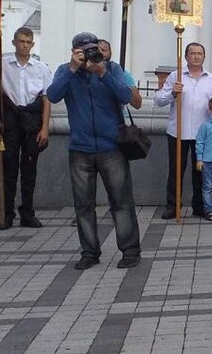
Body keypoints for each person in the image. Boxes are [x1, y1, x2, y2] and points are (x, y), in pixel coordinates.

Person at [46, 32, 141, 270]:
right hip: (80, 148)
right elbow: (53, 95)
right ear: (75, 51)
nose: (90, 55)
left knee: (121, 201)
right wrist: (72, 69)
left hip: (112, 147)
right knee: (83, 204)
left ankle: (130, 250)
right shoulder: (65, 70)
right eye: (84, 51)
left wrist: (103, 74)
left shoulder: (111, 68)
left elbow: (126, 96)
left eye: (93, 49)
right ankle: (89, 252)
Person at [153, 42, 212, 219]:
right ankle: (173, 204)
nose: (196, 56)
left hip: (203, 132)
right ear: (186, 56)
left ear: (204, 57)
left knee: (201, 171)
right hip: (178, 131)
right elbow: (158, 100)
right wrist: (172, 93)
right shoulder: (176, 76)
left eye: (200, 53)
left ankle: (200, 205)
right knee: (176, 169)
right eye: (192, 53)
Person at [0, 27, 52, 230]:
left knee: (29, 170)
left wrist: (44, 128)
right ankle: (7, 214)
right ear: (14, 43)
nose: (25, 45)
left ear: (33, 44)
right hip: (11, 121)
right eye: (21, 41)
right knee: (8, 168)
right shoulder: (3, 66)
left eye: (28, 42)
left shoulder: (41, 68)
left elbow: (46, 100)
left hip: (31, 122)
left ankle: (27, 213)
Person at [98, 39, 142, 109]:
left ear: (110, 53)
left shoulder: (119, 71)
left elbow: (137, 104)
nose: (100, 53)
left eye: (103, 50)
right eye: (96, 51)